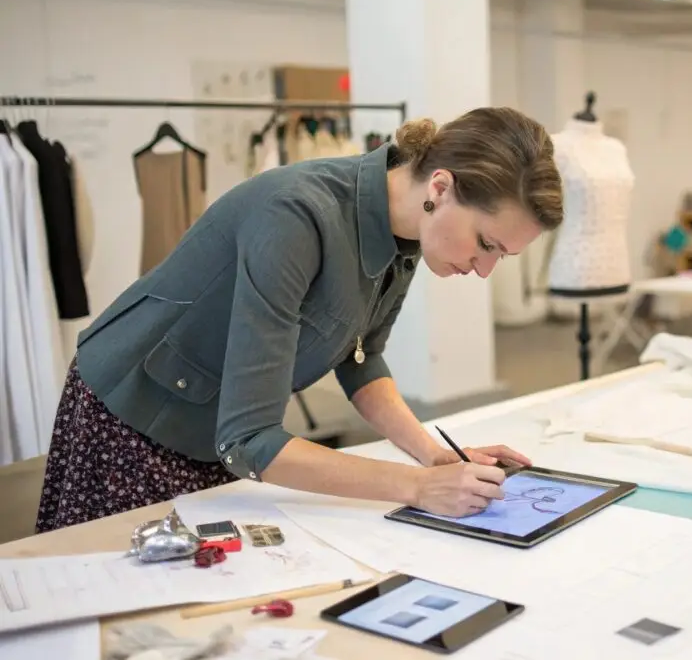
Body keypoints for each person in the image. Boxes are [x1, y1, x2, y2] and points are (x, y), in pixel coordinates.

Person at [35, 107, 564, 534]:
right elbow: (250, 439)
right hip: (132, 417)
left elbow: (361, 360)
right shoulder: (296, 215)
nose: (485, 270)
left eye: (503, 255)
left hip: (213, 426)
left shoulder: (406, 234)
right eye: (486, 244)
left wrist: (434, 456)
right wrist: (417, 487)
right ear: (440, 188)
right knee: (119, 595)